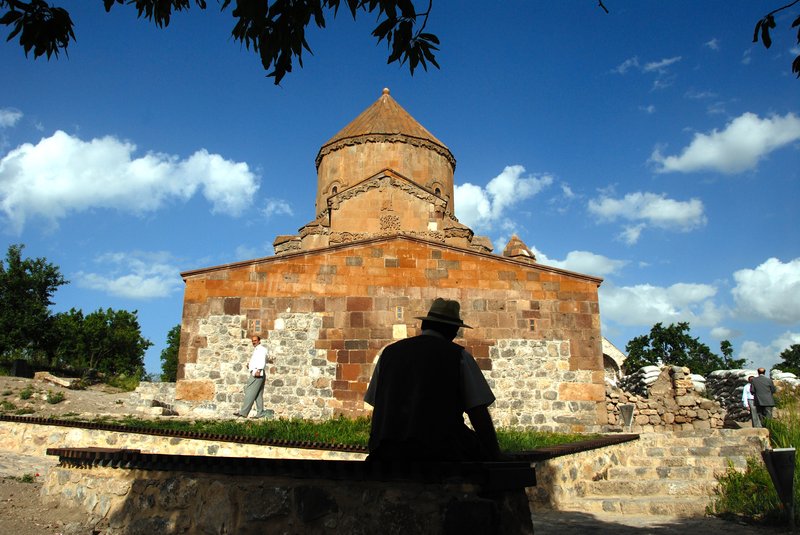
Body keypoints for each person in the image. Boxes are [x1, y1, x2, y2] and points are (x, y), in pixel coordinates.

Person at [364, 297, 503, 461]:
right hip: (439, 450)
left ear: (424, 325)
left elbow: (376, 403)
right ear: (452, 331)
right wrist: (495, 455)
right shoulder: (458, 356)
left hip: (388, 450)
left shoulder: (389, 354)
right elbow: (478, 411)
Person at [234, 334, 273, 418]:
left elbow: (262, 360)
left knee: (249, 391)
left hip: (257, 373)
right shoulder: (257, 349)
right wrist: (250, 365)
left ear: (259, 341)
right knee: (258, 394)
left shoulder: (261, 349)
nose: (253, 342)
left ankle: (243, 412)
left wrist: (258, 369)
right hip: (257, 372)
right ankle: (260, 412)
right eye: (252, 341)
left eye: (255, 341)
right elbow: (257, 360)